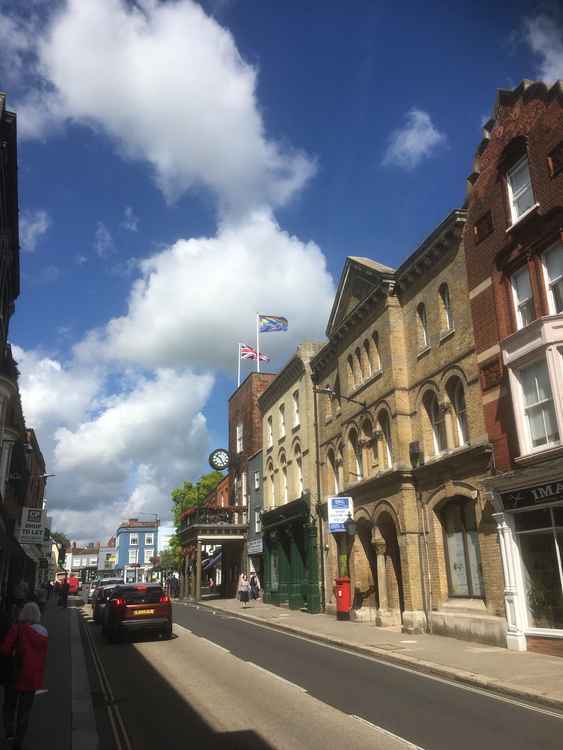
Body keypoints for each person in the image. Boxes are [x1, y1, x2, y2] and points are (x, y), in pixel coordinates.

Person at [1, 602, 48, 749]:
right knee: (24, 711)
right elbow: (42, 656)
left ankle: (9, 731)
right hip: (32, 677)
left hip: (15, 674)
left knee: (9, 706)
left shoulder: (17, 629)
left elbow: (5, 650)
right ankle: (18, 741)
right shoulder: (44, 632)